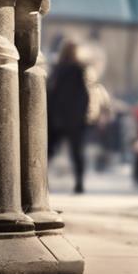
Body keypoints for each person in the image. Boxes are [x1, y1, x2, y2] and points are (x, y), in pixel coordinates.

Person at [47, 40, 91, 194]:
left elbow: (51, 93)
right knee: (77, 152)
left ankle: (40, 181)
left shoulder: (58, 69)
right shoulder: (79, 69)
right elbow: (85, 94)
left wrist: (51, 114)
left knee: (49, 150)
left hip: (58, 117)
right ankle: (79, 183)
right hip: (74, 119)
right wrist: (82, 115)